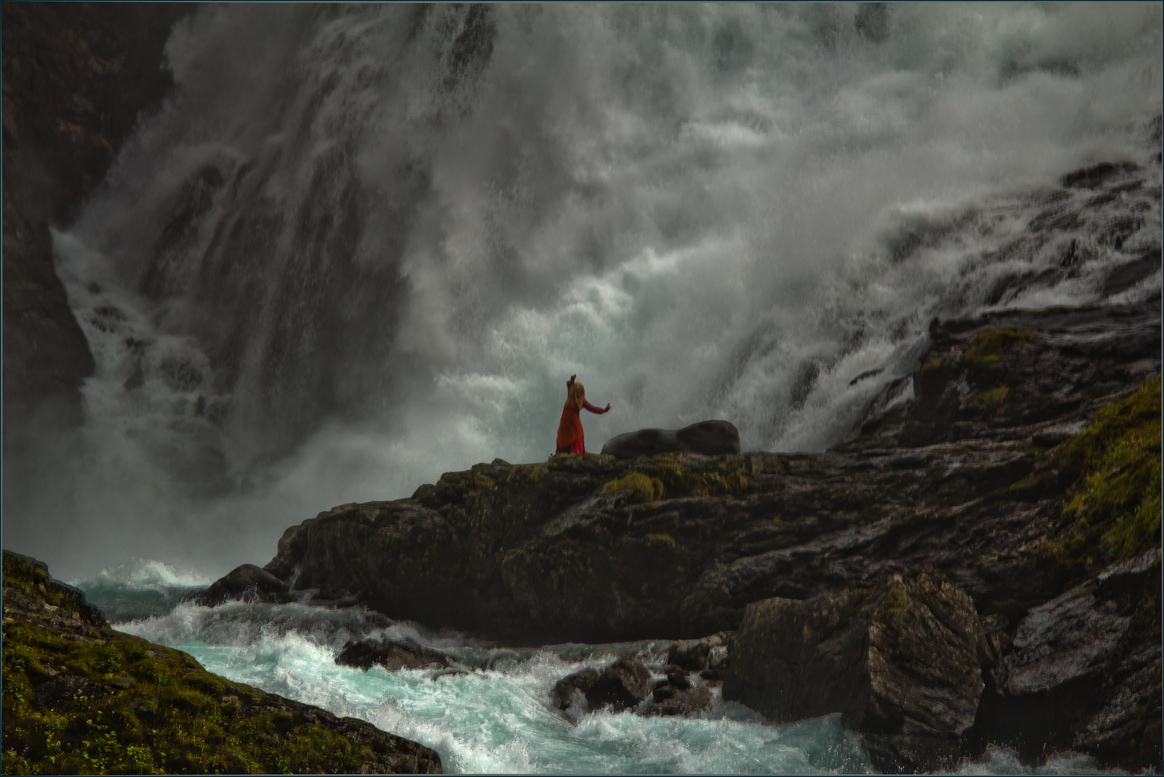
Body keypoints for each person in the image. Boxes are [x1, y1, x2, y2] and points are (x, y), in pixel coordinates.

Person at [555, 373, 611, 454]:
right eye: (577, 391)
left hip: (574, 424)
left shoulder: (581, 401)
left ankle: (576, 453)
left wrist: (604, 410)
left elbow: (592, 408)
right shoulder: (570, 395)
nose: (579, 393)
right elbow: (570, 385)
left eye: (580, 391)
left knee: (577, 437)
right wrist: (572, 380)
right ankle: (563, 453)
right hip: (565, 424)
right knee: (563, 439)